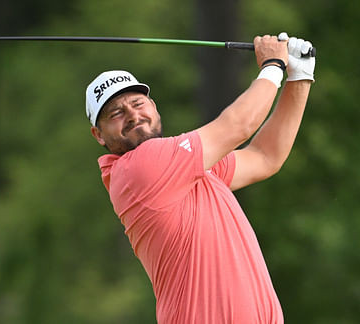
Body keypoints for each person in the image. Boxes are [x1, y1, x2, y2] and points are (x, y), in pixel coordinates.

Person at [85, 32, 315, 324]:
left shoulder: (186, 169)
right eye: (116, 112)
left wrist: (300, 77)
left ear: (154, 107)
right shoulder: (138, 168)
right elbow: (239, 126)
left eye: (137, 103)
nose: (132, 114)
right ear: (99, 135)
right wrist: (272, 66)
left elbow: (264, 157)